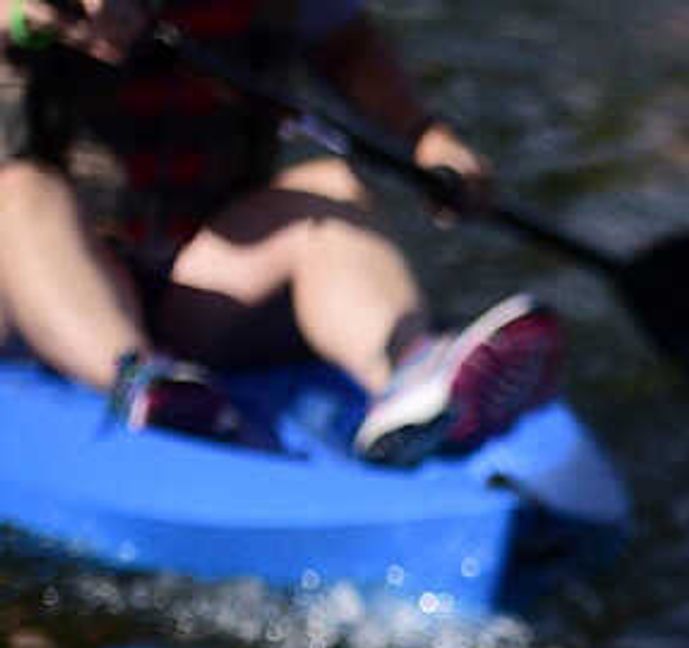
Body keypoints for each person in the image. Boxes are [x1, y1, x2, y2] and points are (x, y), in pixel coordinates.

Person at [0, 0, 559, 459]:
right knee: (19, 192)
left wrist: (426, 138)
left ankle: (411, 375)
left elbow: (348, 49)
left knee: (330, 190)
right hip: (42, 289)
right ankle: (141, 383)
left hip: (203, 279)